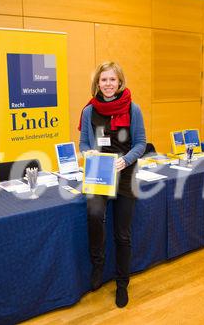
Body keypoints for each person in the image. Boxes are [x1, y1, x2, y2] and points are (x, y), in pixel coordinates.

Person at [78, 61, 146, 308]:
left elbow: (141, 143)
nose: (107, 84)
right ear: (98, 83)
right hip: (98, 172)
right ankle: (98, 265)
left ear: (120, 83)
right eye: (103, 80)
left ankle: (121, 283)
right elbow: (83, 144)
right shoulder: (88, 112)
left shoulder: (133, 109)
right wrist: (87, 154)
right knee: (94, 215)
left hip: (125, 173)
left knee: (122, 233)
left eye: (112, 80)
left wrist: (125, 161)